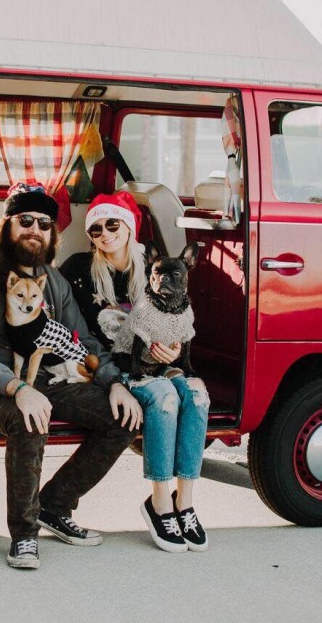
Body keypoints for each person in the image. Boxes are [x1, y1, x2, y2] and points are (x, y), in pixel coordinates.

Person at [0, 183, 142, 569]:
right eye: (26, 220)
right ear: (6, 225)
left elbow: (82, 340)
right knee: (29, 419)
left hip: (50, 378)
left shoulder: (54, 281)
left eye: (45, 224)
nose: (36, 229)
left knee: (124, 418)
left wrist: (115, 383)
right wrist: (18, 388)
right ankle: (24, 534)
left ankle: (55, 504)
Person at [60, 192, 210, 553]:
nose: (104, 234)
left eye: (113, 224)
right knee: (163, 397)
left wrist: (174, 350)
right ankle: (159, 502)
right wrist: (110, 377)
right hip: (113, 366)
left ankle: (184, 502)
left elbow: (176, 321)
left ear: (129, 227)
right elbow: (75, 333)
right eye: (95, 228)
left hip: (161, 361)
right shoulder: (79, 269)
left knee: (197, 395)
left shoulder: (155, 268)